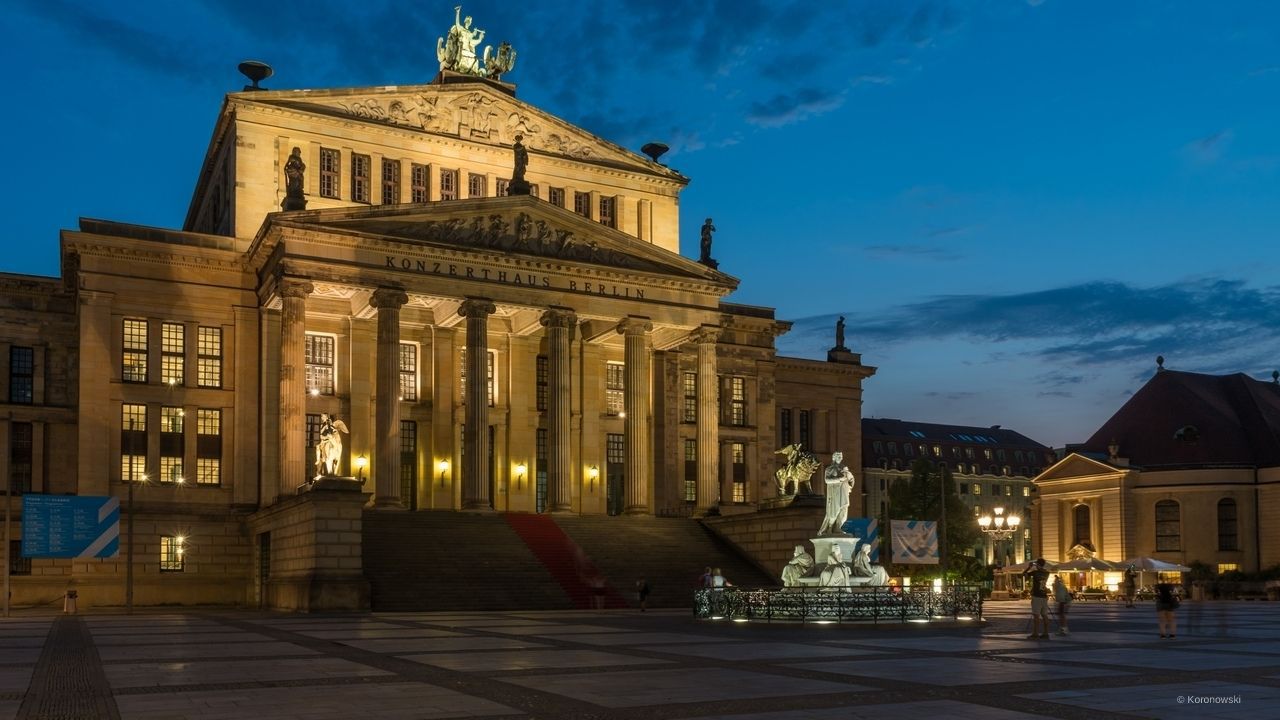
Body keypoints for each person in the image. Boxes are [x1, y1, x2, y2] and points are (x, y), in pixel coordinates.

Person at [817, 451, 854, 535]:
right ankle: (829, 528)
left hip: (844, 492)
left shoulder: (844, 468)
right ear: (834, 457)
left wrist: (850, 480)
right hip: (835, 493)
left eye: (841, 456)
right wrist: (839, 479)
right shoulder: (829, 469)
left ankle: (838, 528)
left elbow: (851, 479)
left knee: (844, 510)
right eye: (838, 456)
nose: (840, 458)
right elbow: (827, 480)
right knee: (834, 511)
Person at [1023, 558, 1051, 639]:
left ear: (1038, 564)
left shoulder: (1035, 572)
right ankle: (1046, 633)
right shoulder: (1047, 573)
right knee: (1045, 615)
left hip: (1037, 596)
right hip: (1044, 596)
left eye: (1036, 564)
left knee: (1036, 616)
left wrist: (1029, 567)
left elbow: (1023, 574)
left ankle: (1035, 633)